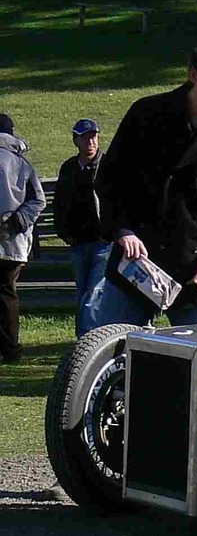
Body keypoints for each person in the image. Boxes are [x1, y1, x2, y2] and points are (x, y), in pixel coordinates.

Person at [94, 35, 197, 327]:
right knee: (111, 356)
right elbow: (110, 178)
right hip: (137, 263)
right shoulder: (146, 114)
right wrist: (122, 229)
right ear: (194, 75)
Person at [53, 118, 110, 336]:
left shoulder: (107, 164)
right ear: (75, 140)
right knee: (83, 293)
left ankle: (88, 339)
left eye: (93, 136)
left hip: (103, 242)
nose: (90, 142)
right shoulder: (68, 167)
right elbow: (59, 203)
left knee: (94, 292)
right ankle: (84, 339)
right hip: (78, 241)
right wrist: (65, 233)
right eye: (85, 137)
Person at [0, 113, 45, 363]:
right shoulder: (22, 164)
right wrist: (17, 221)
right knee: (8, 295)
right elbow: (38, 200)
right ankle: (11, 349)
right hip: (13, 241)